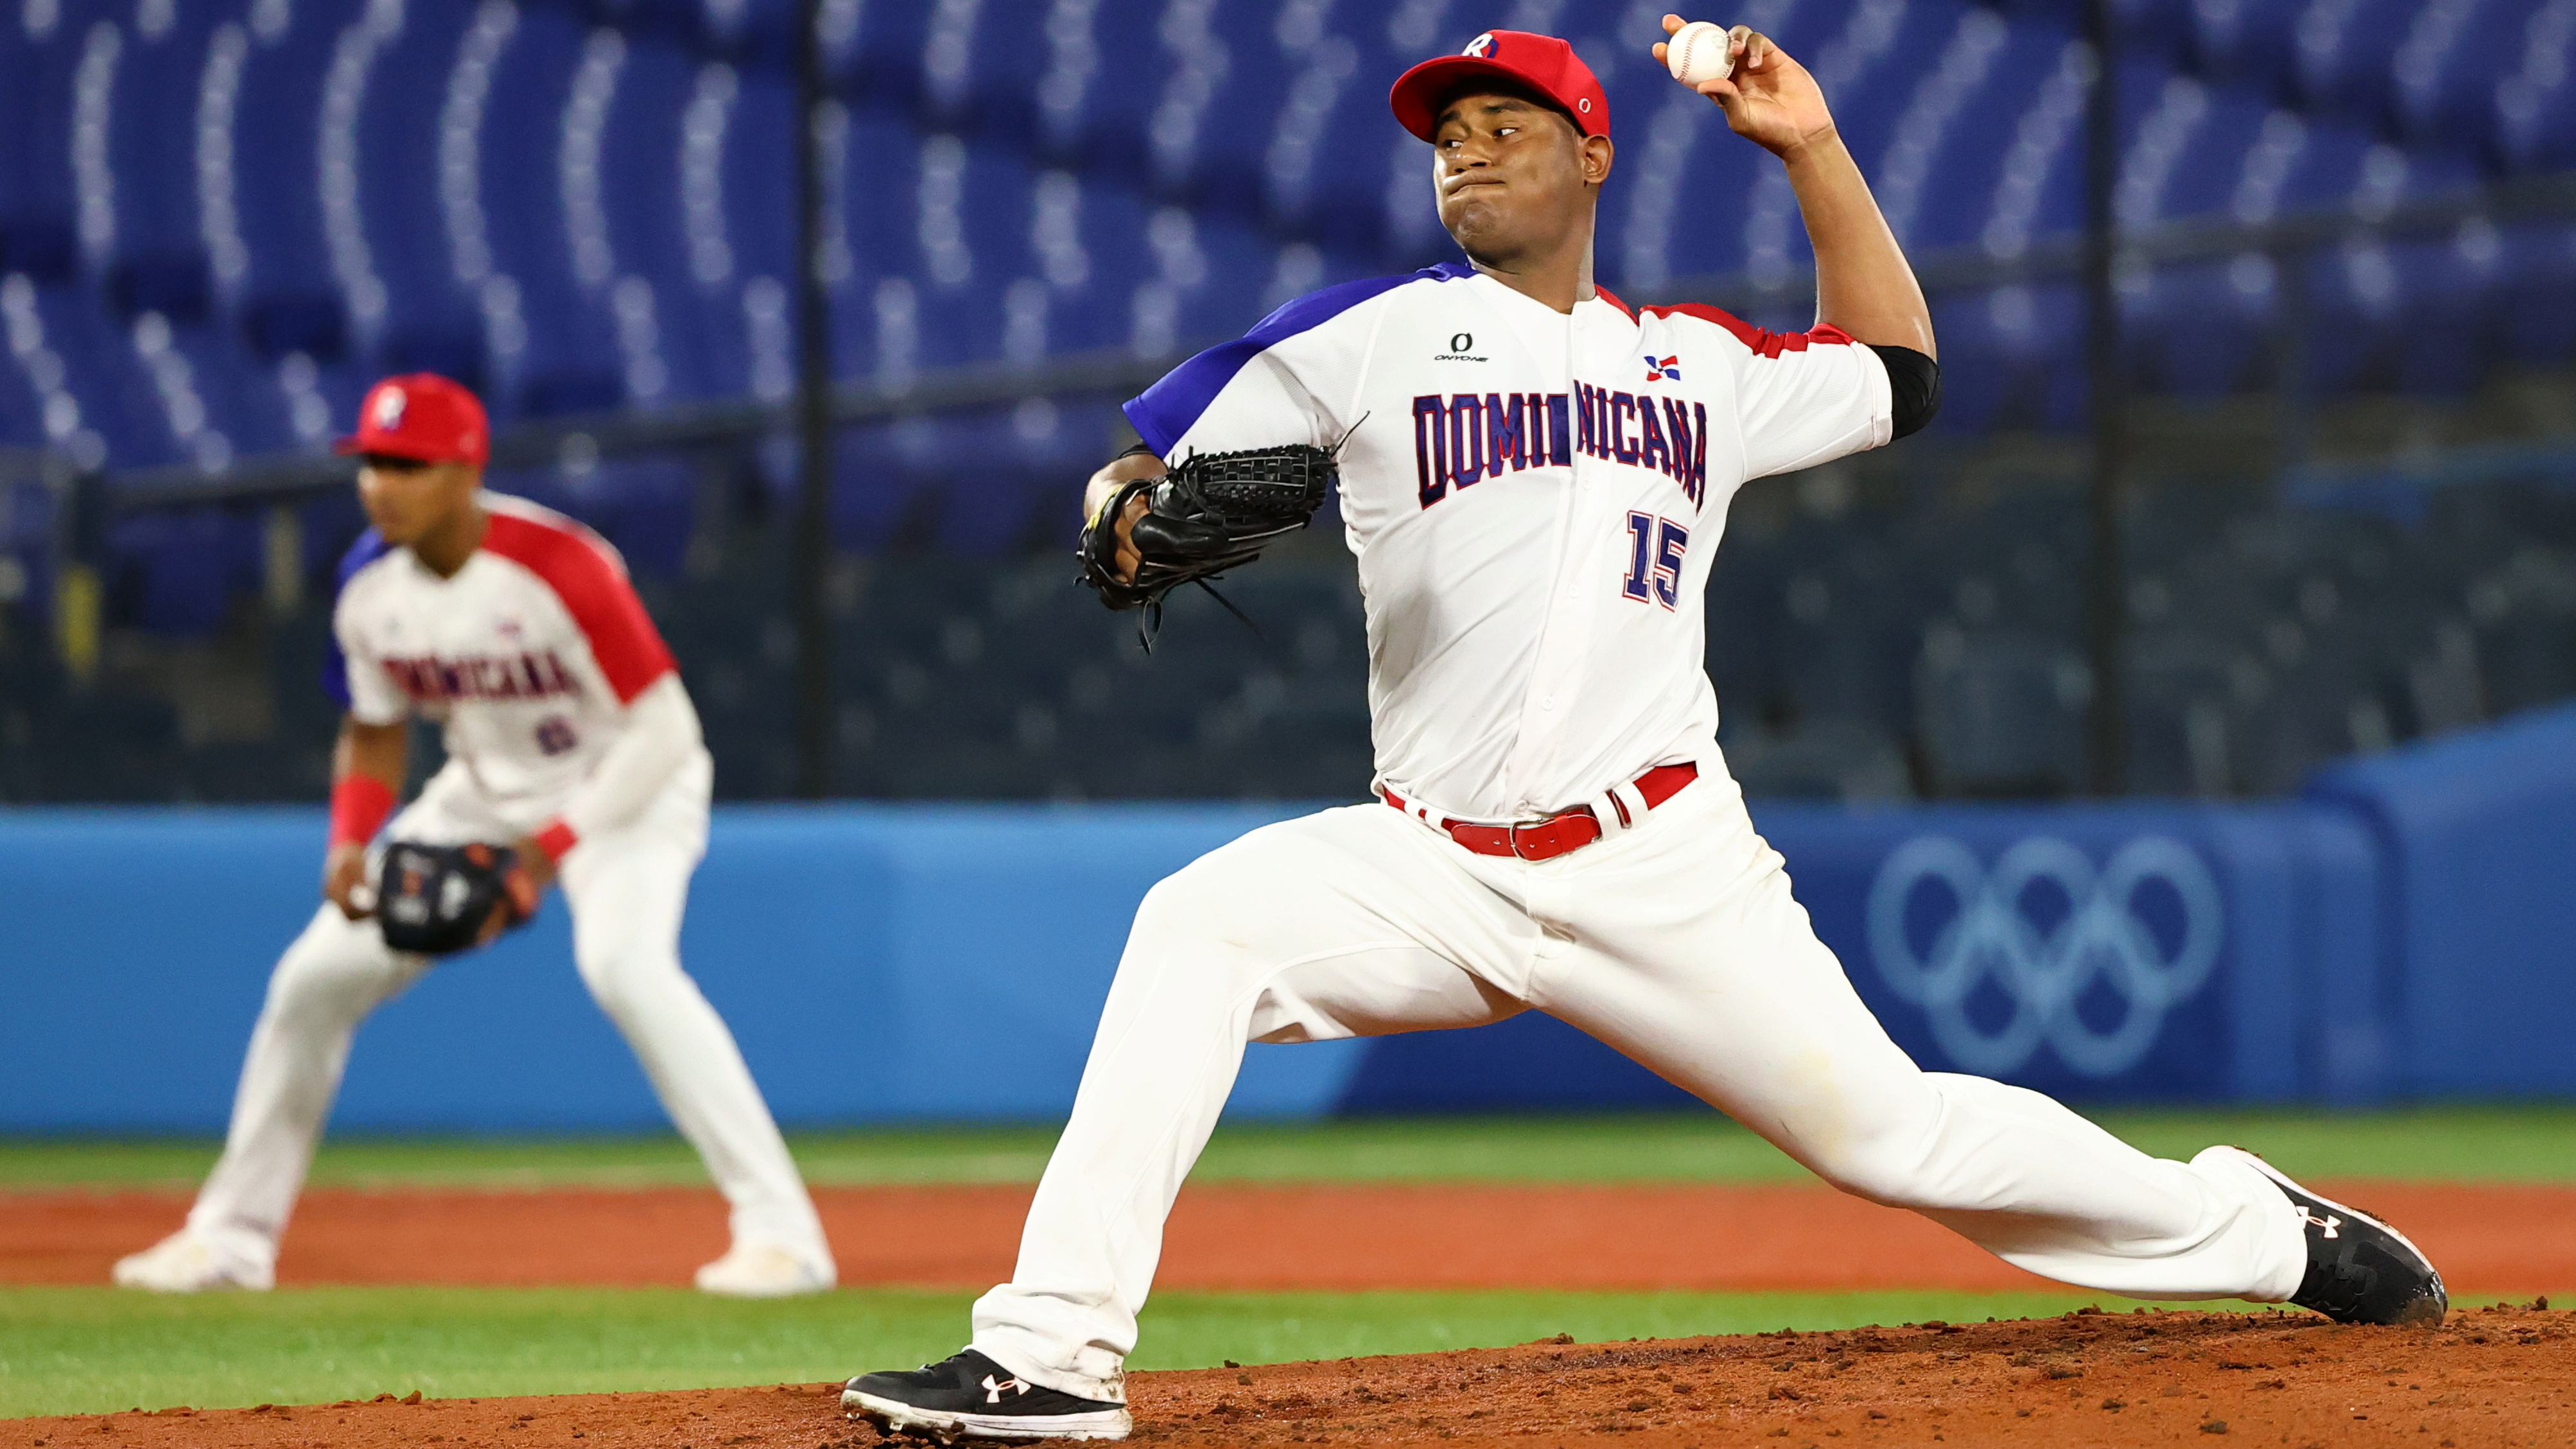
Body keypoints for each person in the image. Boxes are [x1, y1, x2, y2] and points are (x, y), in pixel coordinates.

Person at [840, 19, 2442, 1442]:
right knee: (1193, 928)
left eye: (1502, 125)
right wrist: (1123, 521)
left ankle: (2258, 1232)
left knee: (1894, 1139)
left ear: (1590, 154)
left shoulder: (1688, 361)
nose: (1464, 151)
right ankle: (1052, 1357)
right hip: (1431, 863)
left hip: (1662, 859)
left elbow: (1898, 371)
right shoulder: (1366, 332)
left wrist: (1808, 146)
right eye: (1445, 136)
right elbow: (1140, 475)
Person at [112, 373, 837, 1299]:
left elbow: (664, 730)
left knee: (628, 969)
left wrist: (542, 853)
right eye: (372, 461)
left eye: (409, 464)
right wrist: (349, 842)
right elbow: (375, 725)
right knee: (310, 981)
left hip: (626, 789)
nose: (382, 483)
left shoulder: (558, 564)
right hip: (483, 792)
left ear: (467, 470)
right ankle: (230, 1237)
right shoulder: (368, 583)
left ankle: (784, 1236)